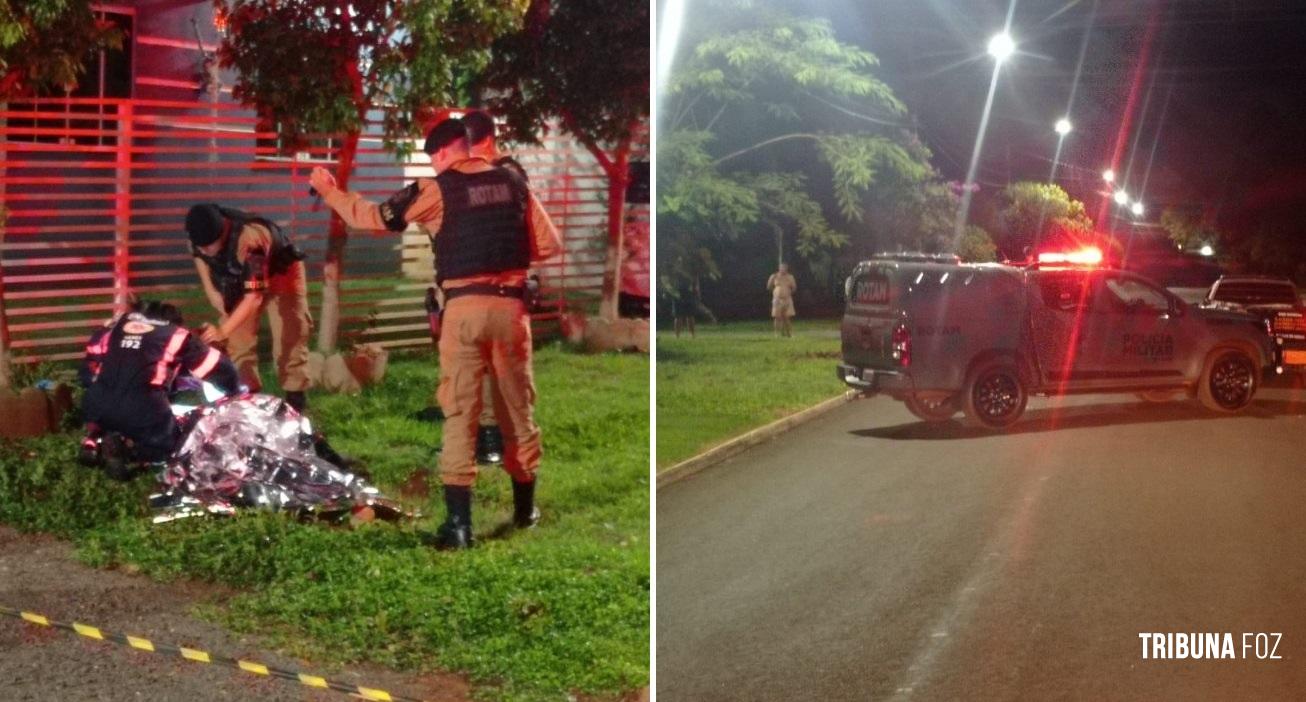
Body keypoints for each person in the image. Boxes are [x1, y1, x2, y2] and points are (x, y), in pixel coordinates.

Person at [309, 117, 562, 550]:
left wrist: (330, 190)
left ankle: (460, 528)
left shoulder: (436, 188)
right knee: (518, 409)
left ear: (442, 153)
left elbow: (375, 219)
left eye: (433, 158)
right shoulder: (514, 182)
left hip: (464, 310)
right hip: (511, 308)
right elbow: (548, 243)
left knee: (460, 410)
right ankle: (524, 512)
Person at [80, 300, 242, 478]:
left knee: (110, 415)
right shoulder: (175, 335)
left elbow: (87, 372)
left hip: (95, 404)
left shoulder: (112, 329)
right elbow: (217, 367)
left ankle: (95, 440)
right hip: (143, 409)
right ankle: (135, 455)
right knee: (168, 444)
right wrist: (233, 391)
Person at [185, 203, 313, 412]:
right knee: (238, 339)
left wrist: (222, 331)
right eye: (200, 245)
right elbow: (199, 255)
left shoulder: (250, 242)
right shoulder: (199, 235)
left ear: (223, 231)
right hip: (239, 279)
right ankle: (248, 399)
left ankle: (295, 402)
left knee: (290, 333)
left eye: (209, 246)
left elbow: (254, 297)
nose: (204, 250)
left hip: (282, 273)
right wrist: (211, 290)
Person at [767, 263, 798, 338]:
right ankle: (776, 334)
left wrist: (789, 292)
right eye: (781, 268)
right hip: (777, 299)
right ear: (779, 268)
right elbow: (769, 287)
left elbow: (794, 287)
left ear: (787, 269)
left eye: (784, 268)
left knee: (787, 317)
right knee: (777, 317)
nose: (783, 269)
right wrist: (776, 292)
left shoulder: (790, 277)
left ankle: (789, 333)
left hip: (787, 299)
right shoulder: (774, 276)